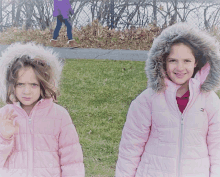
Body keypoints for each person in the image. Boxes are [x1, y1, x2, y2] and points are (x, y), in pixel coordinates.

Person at [115, 22, 220, 176]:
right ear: (162, 61)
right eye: (173, 60)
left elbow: (217, 147)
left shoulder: (209, 100)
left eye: (187, 61)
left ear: (196, 62)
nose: (180, 67)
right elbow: (131, 147)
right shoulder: (147, 100)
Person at [0, 42, 85, 176]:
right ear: (12, 85)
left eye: (33, 85)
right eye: (20, 84)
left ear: (43, 85)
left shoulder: (59, 116)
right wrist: (4, 138)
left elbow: (72, 161)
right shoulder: (4, 115)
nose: (26, 91)